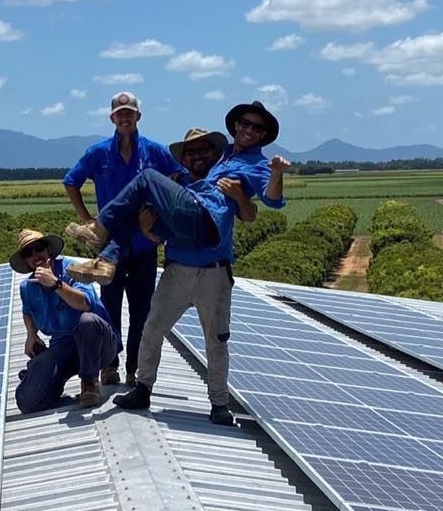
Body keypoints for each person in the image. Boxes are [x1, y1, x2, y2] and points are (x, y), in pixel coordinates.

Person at [113, 124, 288, 424]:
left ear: (214, 154)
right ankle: (143, 388)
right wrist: (145, 229)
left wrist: (245, 192)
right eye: (191, 152)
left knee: (216, 340)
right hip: (177, 270)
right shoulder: (175, 189)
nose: (196, 156)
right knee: (152, 330)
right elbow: (157, 235)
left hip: (213, 274)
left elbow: (251, 214)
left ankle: (219, 403)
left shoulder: (224, 181)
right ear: (184, 159)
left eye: (203, 151)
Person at [65, 99, 286, 281]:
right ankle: (106, 261)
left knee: (148, 177)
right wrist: (174, 184)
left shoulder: (257, 163)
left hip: (204, 221)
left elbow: (272, 200)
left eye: (257, 128)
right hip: (183, 242)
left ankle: (99, 227)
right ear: (237, 125)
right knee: (138, 209)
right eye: (246, 123)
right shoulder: (223, 156)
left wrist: (276, 174)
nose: (249, 130)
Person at [62, 91, 184, 386]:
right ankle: (110, 365)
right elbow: (70, 181)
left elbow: (180, 176)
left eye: (130, 113)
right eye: (120, 113)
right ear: (112, 118)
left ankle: (133, 367)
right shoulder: (98, 152)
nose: (125, 117)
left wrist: (159, 209)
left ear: (138, 116)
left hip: (142, 244)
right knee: (110, 308)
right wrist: (86, 217)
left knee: (141, 310)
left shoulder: (155, 151)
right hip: (114, 242)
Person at [10, 228, 119, 413]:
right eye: (29, 253)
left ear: (48, 250)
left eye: (39, 248)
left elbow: (84, 303)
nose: (35, 255)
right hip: (63, 348)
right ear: (26, 261)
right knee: (28, 402)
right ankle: (52, 384)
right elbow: (27, 311)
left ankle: (90, 382)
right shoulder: (27, 287)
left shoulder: (72, 269)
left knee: (87, 322)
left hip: (97, 344)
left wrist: (55, 284)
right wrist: (31, 334)